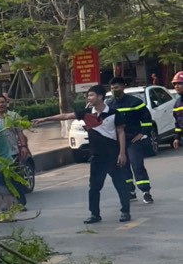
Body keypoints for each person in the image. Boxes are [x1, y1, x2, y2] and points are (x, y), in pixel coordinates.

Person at [34, 84, 130, 223]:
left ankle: (125, 211)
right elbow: (66, 115)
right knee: (94, 187)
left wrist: (122, 153)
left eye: (91, 95)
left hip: (113, 155)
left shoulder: (114, 113)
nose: (88, 98)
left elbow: (121, 133)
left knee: (120, 183)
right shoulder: (86, 114)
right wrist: (45, 119)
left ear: (100, 96)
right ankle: (94, 214)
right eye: (88, 96)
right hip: (96, 156)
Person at [107, 77, 153, 204]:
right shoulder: (109, 104)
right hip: (117, 142)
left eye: (116, 87)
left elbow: (147, 119)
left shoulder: (135, 102)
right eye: (111, 88)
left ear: (123, 87)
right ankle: (130, 192)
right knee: (122, 166)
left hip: (133, 140)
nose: (113, 90)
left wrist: (142, 133)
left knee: (137, 165)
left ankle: (146, 192)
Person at [0, 94, 29, 209]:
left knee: (15, 179)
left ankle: (20, 203)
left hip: (12, 153)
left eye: (2, 102)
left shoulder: (13, 116)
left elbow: (19, 132)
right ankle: (6, 205)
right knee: (1, 182)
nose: (1, 105)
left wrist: (23, 146)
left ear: (6, 103)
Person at [171, 71, 183, 149]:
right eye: (175, 84)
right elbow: (178, 123)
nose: (176, 86)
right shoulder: (178, 103)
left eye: (179, 83)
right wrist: (176, 137)